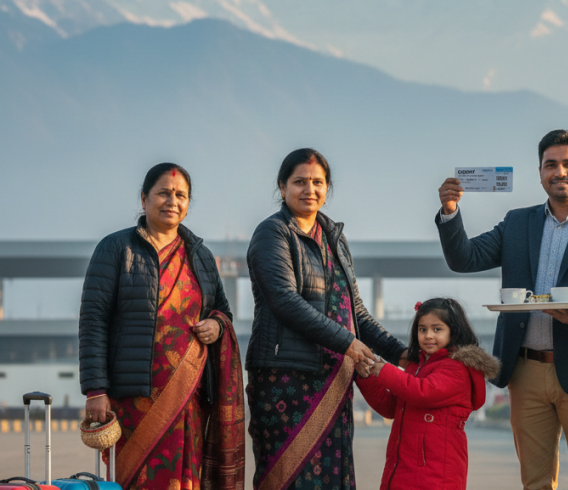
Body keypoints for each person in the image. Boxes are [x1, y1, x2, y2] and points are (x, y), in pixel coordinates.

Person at [436, 130, 568, 490]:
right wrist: (450, 213)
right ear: (540, 172)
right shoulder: (517, 223)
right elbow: (465, 258)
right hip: (525, 372)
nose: (560, 172)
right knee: (535, 482)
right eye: (551, 165)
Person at [245, 148, 410, 490]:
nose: (309, 190)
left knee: (332, 474)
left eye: (318, 182)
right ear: (282, 186)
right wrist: (348, 343)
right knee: (286, 476)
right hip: (285, 378)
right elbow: (285, 301)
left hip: (333, 379)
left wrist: (401, 353)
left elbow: (355, 311)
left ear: (328, 187)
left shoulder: (334, 237)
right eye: (299, 182)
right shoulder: (272, 234)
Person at [79, 163, 245, 489]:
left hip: (189, 399)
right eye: (163, 193)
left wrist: (217, 325)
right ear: (144, 199)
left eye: (181, 195)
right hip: (133, 400)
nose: (172, 201)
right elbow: (93, 320)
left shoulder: (200, 256)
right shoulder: (116, 249)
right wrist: (96, 390)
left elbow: (221, 311)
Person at [356, 298, 500, 490]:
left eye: (437, 329)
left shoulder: (457, 369)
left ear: (453, 332)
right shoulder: (416, 366)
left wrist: (384, 370)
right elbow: (391, 407)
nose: (428, 335)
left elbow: (423, 392)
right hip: (401, 470)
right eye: (422, 329)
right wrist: (366, 376)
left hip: (436, 476)